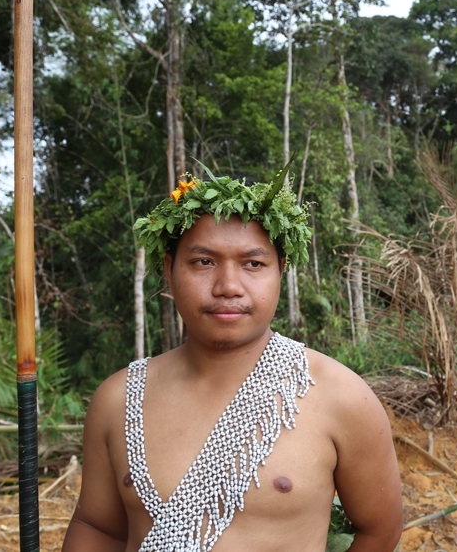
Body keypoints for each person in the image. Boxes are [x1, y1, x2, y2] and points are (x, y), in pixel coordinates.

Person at [62, 166, 402, 552]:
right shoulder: (119, 399)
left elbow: (380, 530)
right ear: (169, 271)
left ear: (281, 271)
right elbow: (98, 528)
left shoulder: (341, 397)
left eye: (253, 264)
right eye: (203, 262)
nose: (228, 287)